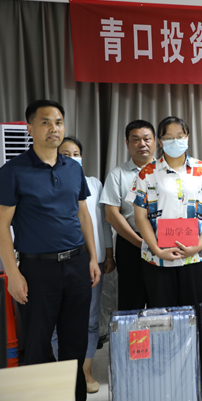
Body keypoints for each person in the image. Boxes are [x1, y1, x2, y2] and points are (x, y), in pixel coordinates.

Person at [0, 100, 101, 401]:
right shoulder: (13, 171)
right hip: (37, 270)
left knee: (75, 342)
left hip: (77, 264)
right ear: (30, 128)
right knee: (37, 344)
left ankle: (74, 397)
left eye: (58, 122)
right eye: (45, 122)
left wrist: (93, 258)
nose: (53, 128)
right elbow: (2, 225)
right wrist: (13, 274)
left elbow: (83, 215)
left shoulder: (73, 168)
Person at [127, 116, 202, 308]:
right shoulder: (146, 173)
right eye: (168, 137)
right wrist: (157, 250)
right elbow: (140, 217)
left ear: (188, 137)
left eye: (180, 136)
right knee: (162, 315)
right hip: (158, 258)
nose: (175, 141)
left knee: (194, 312)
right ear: (160, 141)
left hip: (196, 256)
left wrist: (199, 245)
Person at [51, 137, 114, 394]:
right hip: (58, 261)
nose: (72, 157)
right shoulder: (50, 181)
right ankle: (64, 374)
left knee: (89, 319)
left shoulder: (94, 183)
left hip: (92, 261)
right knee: (58, 321)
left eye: (76, 153)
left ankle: (85, 371)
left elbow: (102, 222)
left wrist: (107, 254)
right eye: (65, 153)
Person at [99, 120, 155, 311]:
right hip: (131, 242)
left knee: (162, 300)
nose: (142, 144)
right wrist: (141, 243)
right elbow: (111, 215)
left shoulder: (166, 171)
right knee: (132, 303)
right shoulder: (117, 174)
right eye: (136, 139)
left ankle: (160, 333)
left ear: (155, 141)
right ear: (127, 143)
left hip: (163, 241)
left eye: (147, 139)